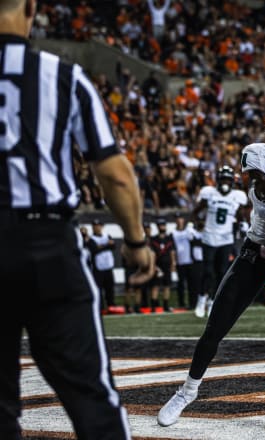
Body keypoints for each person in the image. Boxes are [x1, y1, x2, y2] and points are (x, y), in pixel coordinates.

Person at [0, 1, 154, 438]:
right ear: (31, 8)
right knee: (92, 398)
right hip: (46, 244)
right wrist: (136, 241)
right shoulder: (61, 75)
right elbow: (114, 174)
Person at [157, 96, 265, 430]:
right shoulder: (257, 152)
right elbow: (264, 204)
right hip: (257, 251)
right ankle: (187, 390)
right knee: (217, 325)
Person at [192, 165, 248, 317]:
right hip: (209, 237)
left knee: (222, 272)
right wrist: (198, 222)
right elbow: (196, 211)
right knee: (208, 271)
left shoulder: (237, 196)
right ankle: (201, 299)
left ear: (232, 182)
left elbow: (240, 214)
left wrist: (242, 225)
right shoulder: (209, 193)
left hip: (226, 239)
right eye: (222, 179)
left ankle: (212, 302)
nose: (225, 182)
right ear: (217, 180)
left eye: (227, 180)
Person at [88, 219, 116, 310]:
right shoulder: (91, 239)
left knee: (110, 288)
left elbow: (113, 246)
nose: (97, 227)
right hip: (98, 267)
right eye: (95, 226)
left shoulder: (107, 236)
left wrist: (101, 246)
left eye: (99, 225)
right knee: (98, 289)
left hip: (108, 266)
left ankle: (111, 305)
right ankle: (101, 307)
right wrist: (106, 245)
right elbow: (94, 250)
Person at [149, 217, 175, 312]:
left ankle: (166, 305)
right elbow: (152, 254)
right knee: (155, 286)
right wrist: (154, 266)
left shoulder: (169, 238)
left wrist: (173, 263)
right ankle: (153, 306)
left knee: (167, 285)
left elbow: (172, 251)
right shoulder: (154, 239)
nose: (162, 227)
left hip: (167, 264)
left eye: (163, 225)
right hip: (157, 265)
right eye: (160, 225)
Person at [172, 212, 195, 309]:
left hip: (189, 261)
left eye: (180, 218)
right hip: (179, 262)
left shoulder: (188, 231)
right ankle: (181, 303)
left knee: (191, 284)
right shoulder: (173, 233)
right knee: (180, 283)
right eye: (177, 219)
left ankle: (192, 303)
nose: (179, 220)